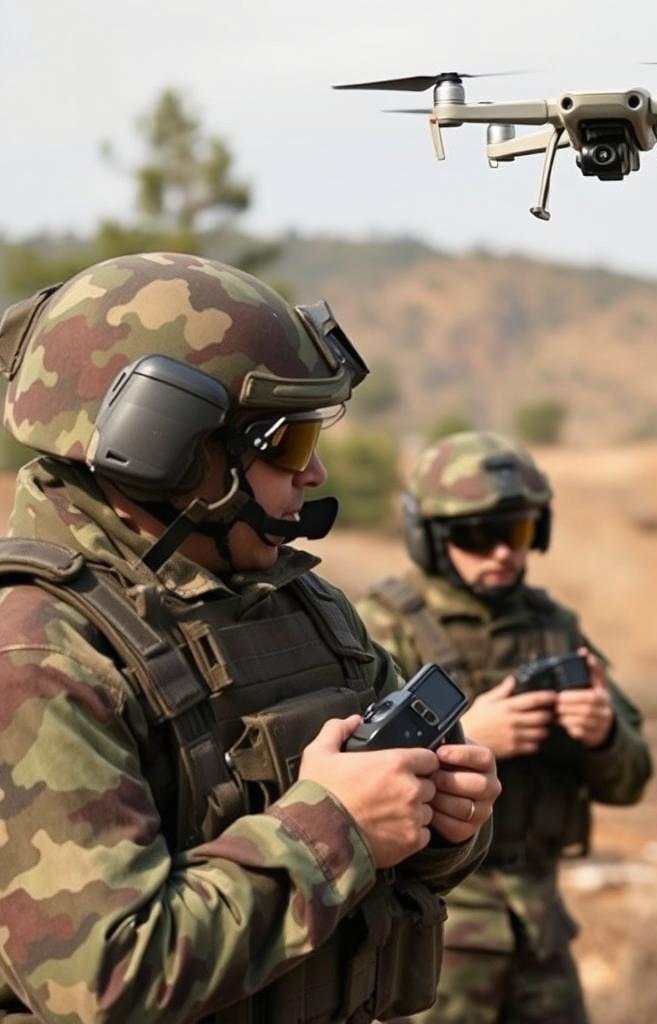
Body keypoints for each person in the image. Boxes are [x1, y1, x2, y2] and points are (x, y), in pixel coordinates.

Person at [0, 252, 500, 1024]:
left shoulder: (306, 608)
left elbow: (409, 851)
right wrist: (340, 828)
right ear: (166, 450)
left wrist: (446, 824)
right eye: (288, 445)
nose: (315, 472)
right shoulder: (40, 654)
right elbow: (103, 976)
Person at [356, 430, 652, 1024]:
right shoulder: (384, 628)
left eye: (515, 532)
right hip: (432, 932)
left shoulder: (554, 626)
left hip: (540, 928)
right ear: (431, 538)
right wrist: (470, 737)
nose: (501, 553)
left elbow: (632, 780)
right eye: (477, 535)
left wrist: (602, 736)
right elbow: (349, 786)